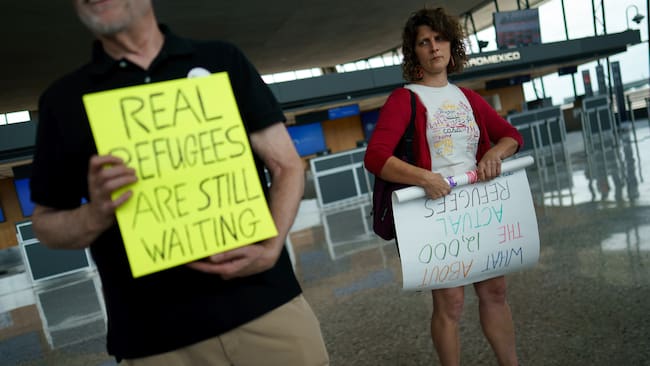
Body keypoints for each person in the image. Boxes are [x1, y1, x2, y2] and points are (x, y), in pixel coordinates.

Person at [29, 1, 329, 365]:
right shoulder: (64, 101)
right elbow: (45, 224)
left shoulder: (221, 61)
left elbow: (286, 166)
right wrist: (95, 214)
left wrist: (271, 247)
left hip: (266, 308)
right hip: (156, 340)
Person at [364, 7, 523, 366]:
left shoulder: (469, 98)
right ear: (414, 52)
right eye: (424, 42)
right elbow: (376, 157)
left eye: (440, 39)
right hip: (434, 211)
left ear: (452, 45)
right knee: (450, 302)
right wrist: (424, 177)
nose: (434, 47)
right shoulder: (405, 98)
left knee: (495, 292)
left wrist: (494, 154)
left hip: (478, 207)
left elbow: (511, 136)